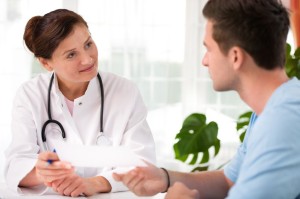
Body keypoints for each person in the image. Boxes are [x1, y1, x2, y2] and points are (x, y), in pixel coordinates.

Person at [113, 0, 300, 198]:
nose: (204, 60)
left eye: (209, 49)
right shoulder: (271, 110)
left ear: (236, 57)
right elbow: (229, 181)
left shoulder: (285, 120)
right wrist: (165, 178)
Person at [4, 9, 156, 197]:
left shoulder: (125, 91)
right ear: (46, 63)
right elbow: (15, 166)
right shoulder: (30, 95)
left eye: (88, 44)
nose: (87, 59)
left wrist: (96, 183)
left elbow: (144, 163)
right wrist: (41, 172)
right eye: (71, 55)